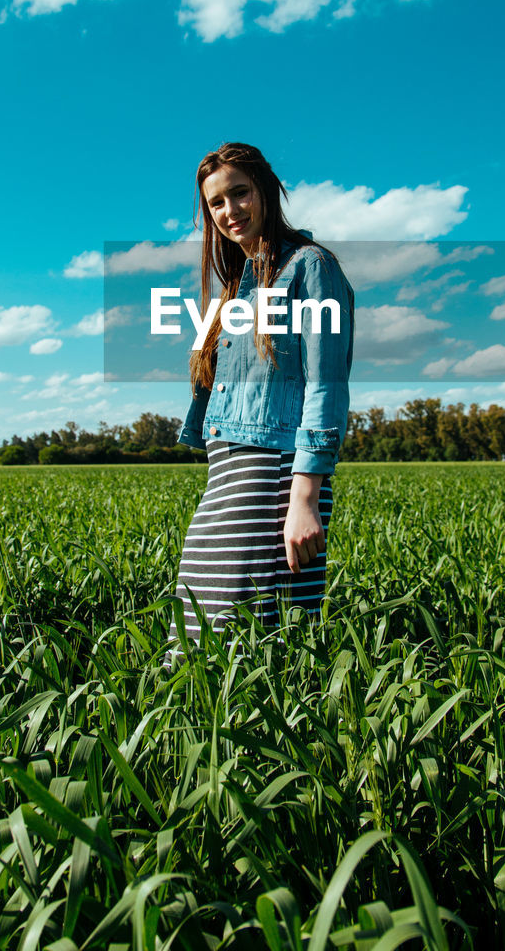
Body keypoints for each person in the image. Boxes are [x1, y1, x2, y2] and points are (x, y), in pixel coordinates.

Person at [167, 142, 354, 654]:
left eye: (240, 193)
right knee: (200, 627)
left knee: (246, 638)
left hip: (274, 474)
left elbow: (325, 385)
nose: (230, 211)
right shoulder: (235, 290)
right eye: (216, 203)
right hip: (227, 472)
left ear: (267, 190)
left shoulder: (310, 268)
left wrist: (304, 499)